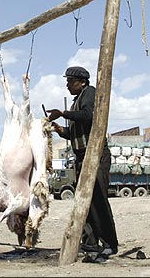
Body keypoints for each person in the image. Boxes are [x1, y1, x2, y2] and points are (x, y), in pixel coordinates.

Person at [46, 66, 119, 260]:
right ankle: (90, 245)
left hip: (95, 156)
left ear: (82, 82)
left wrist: (62, 113)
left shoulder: (90, 94)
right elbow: (75, 134)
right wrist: (60, 129)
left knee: (99, 201)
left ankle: (110, 244)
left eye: (71, 81)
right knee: (84, 203)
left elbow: (88, 115)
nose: (67, 85)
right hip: (81, 157)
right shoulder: (76, 102)